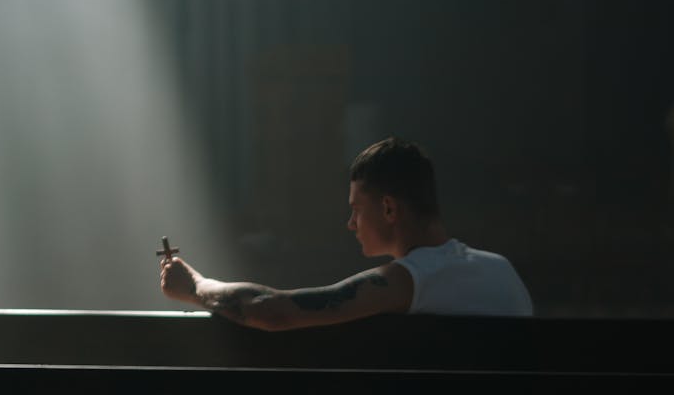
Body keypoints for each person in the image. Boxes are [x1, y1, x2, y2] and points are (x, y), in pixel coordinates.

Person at [159, 136, 533, 328]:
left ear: (388, 208)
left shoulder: (410, 281)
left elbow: (274, 312)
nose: (351, 224)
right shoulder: (502, 270)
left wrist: (194, 285)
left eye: (356, 209)